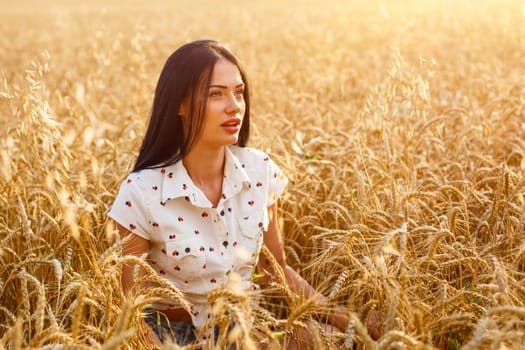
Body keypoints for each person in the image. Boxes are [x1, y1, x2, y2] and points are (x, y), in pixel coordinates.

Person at [109, 40, 376, 348]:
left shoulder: (260, 171)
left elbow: (275, 271)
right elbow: (129, 311)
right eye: (216, 94)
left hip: (245, 330)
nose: (234, 106)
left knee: (341, 342)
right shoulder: (142, 192)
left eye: (239, 92)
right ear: (180, 104)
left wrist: (351, 321)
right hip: (173, 340)